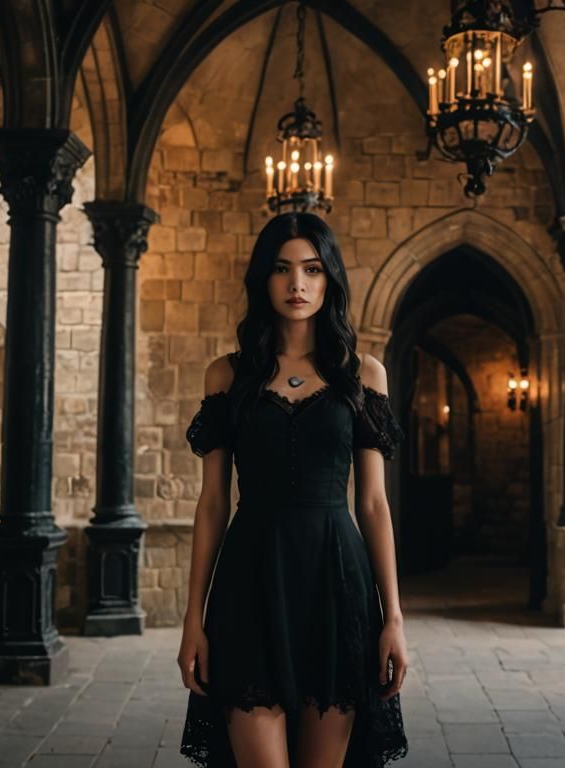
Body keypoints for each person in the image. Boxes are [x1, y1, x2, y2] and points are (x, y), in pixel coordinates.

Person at [177, 211, 411, 767]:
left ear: (330, 278)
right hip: (249, 583)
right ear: (264, 279)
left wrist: (395, 617)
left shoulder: (364, 375)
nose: (297, 283)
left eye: (311, 268)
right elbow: (211, 504)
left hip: (337, 587)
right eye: (282, 269)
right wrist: (193, 616)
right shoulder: (226, 376)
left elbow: (374, 503)